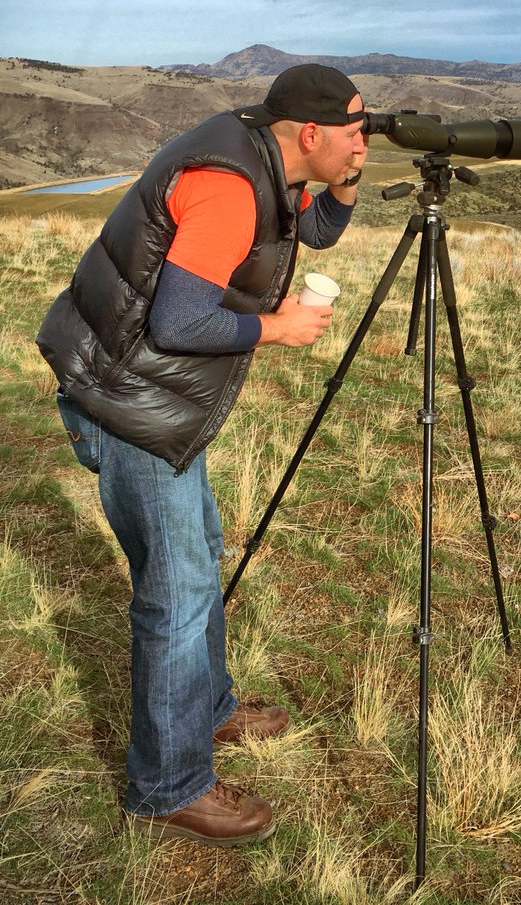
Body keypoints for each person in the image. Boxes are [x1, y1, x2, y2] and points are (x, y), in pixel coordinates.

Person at [36, 64, 368, 846]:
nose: (364, 141)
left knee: (199, 553)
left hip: (155, 399)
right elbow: (179, 322)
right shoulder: (227, 188)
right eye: (355, 132)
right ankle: (168, 785)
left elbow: (316, 231)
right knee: (177, 594)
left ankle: (208, 708)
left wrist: (349, 180)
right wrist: (277, 328)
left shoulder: (272, 158)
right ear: (309, 133)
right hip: (129, 402)